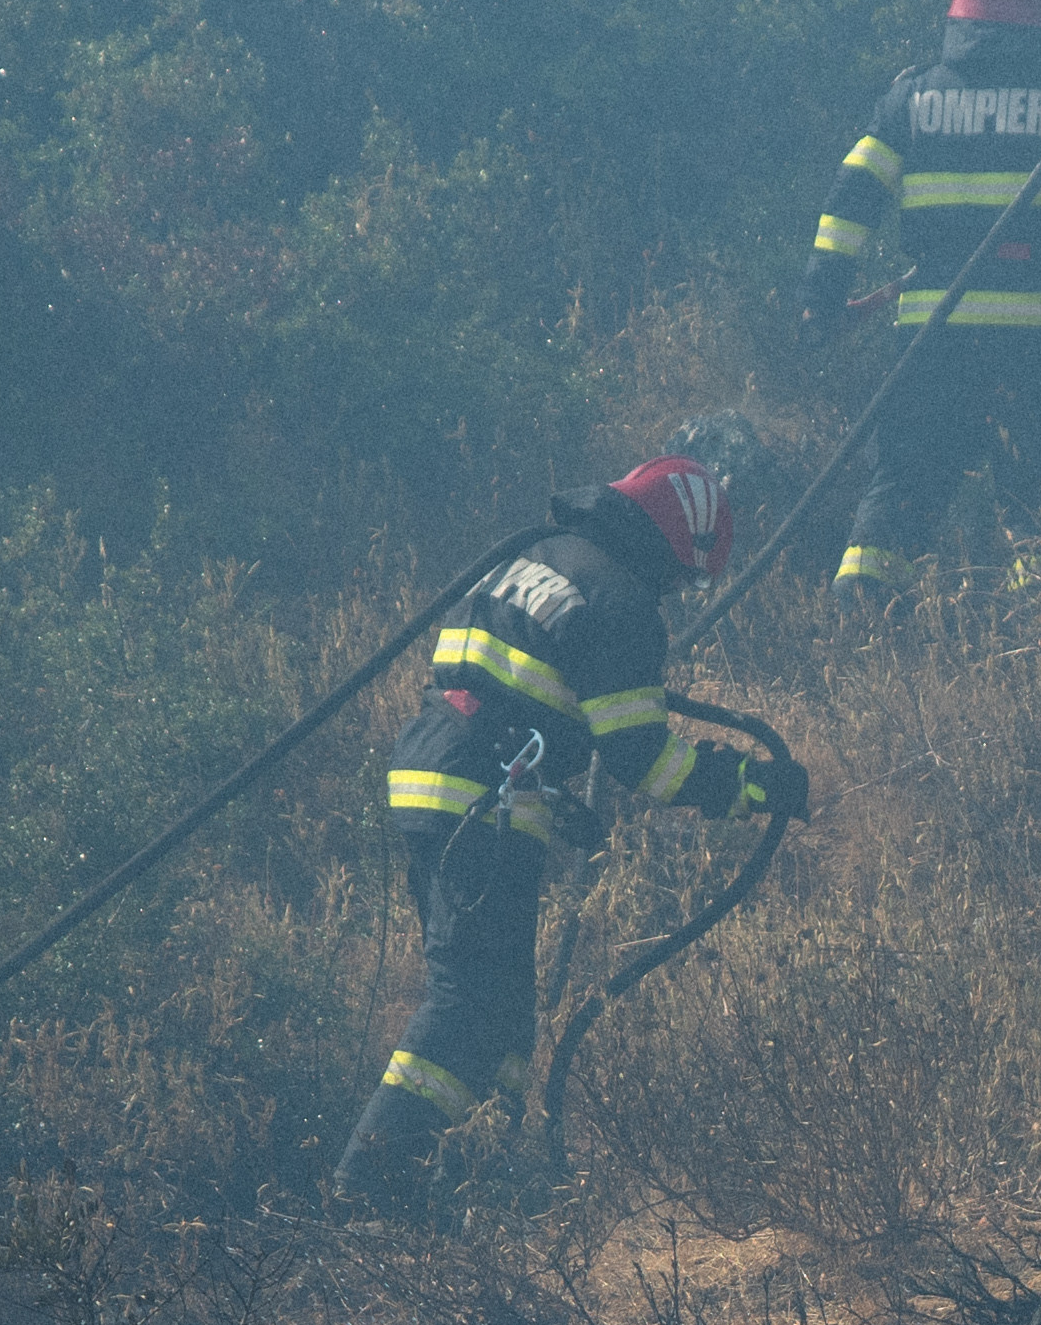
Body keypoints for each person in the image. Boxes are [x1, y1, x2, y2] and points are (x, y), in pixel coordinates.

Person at [335, 443, 812, 1216]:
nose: (681, 592)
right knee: (466, 1003)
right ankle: (367, 1185)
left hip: (432, 774)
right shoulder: (621, 603)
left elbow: (519, 689)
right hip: (483, 797)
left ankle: (475, 1191)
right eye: (687, 576)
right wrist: (754, 785)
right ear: (669, 545)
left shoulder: (540, 557)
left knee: (502, 1008)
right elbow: (646, 763)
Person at [796, 0, 1041, 610]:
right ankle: (1035, 635)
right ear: (1040, 17)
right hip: (1034, 339)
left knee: (903, 485)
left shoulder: (910, 98)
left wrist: (822, 298)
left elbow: (850, 201)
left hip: (929, 338)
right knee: (1038, 490)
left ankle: (863, 622)